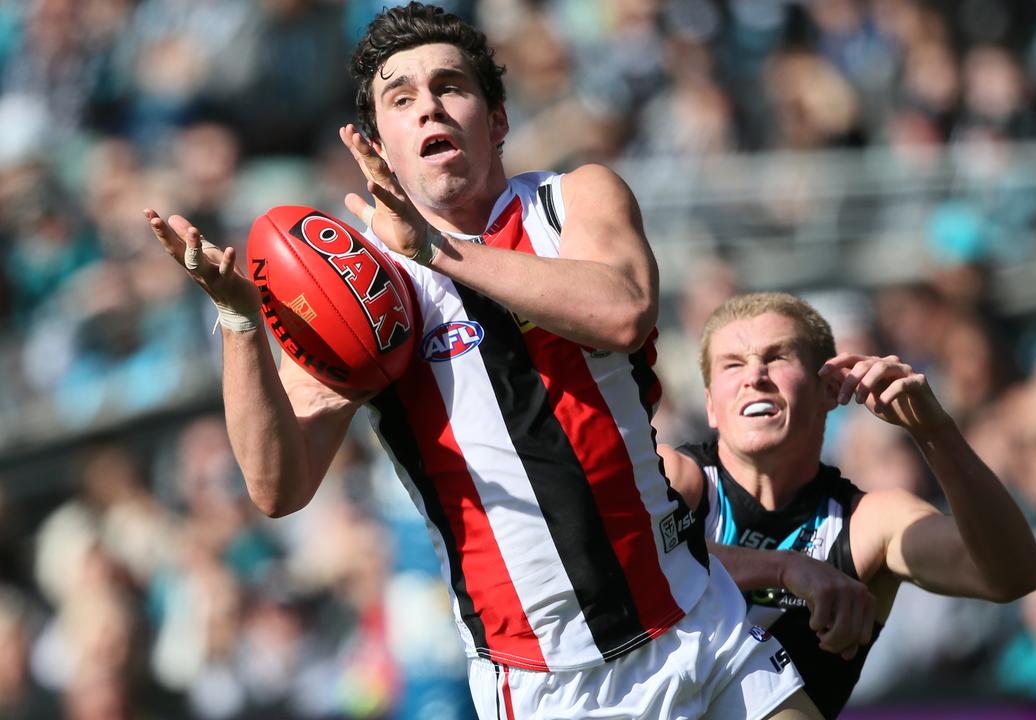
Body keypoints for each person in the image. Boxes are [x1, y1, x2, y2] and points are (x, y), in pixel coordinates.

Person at [144, 4, 823, 718]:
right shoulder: (366, 294)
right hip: (551, 682)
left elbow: (623, 310)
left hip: (698, 621)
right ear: (378, 144)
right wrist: (240, 323)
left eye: (451, 87)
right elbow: (277, 488)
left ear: (496, 120)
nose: (429, 107)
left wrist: (438, 251)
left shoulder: (573, 200)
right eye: (401, 98)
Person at [658, 292, 1036, 718]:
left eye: (778, 357)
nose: (755, 376)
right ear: (711, 405)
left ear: (829, 389)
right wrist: (786, 569)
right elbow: (625, 558)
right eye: (733, 364)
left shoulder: (867, 524)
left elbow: (1013, 575)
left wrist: (936, 432)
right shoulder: (674, 478)